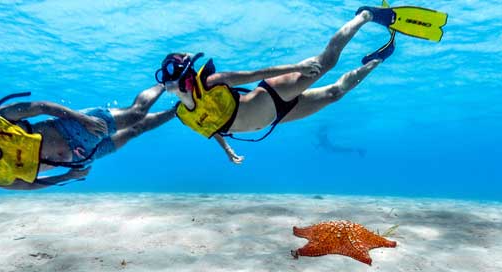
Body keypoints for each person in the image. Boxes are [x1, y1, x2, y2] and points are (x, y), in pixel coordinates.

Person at [156, 10, 386, 164]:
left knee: (326, 62)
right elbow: (212, 127)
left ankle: (365, 16)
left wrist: (298, 67)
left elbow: (255, 74)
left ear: (187, 78)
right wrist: (227, 150)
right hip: (278, 117)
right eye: (171, 84)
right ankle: (377, 60)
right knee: (335, 94)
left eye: (180, 81)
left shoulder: (211, 83)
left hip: (272, 94)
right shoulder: (184, 115)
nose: (177, 86)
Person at [0, 86, 174, 189]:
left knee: (136, 114)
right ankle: (178, 111)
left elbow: (40, 106)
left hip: (76, 128)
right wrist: (68, 176)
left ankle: (166, 81)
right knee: (135, 131)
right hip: (80, 160)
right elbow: (26, 186)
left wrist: (83, 119)